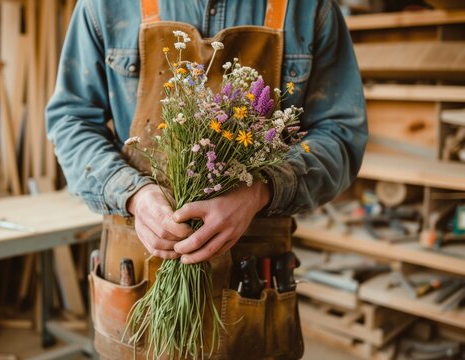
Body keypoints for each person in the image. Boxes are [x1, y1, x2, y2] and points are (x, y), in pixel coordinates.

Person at [46, 0, 367, 358]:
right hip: (138, 270)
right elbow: (71, 121)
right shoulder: (105, 6)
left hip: (251, 282)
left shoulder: (307, 9)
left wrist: (260, 190)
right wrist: (134, 193)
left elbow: (342, 135)